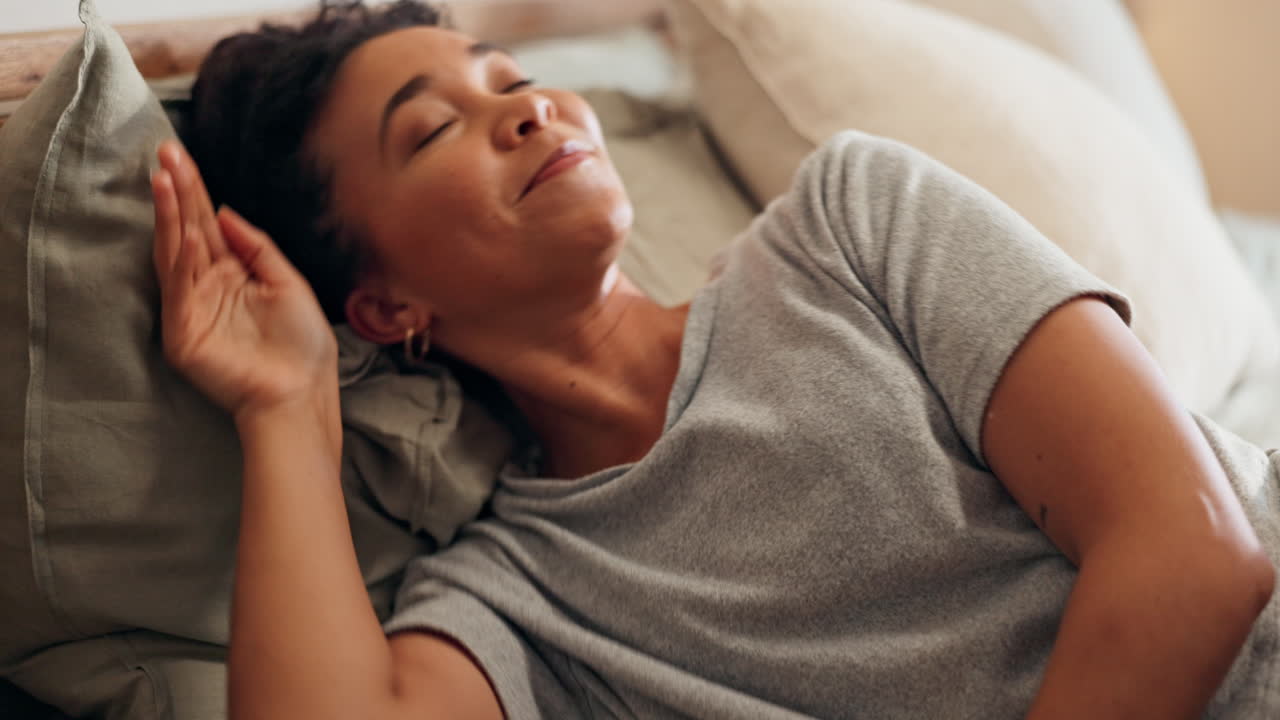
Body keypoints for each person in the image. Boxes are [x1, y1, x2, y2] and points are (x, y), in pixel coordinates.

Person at [150, 1, 1279, 718]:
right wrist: (285, 409)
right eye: (432, 129)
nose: (531, 110)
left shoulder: (854, 223)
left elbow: (1196, 554)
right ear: (387, 304)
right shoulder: (525, 599)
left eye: (506, 77)